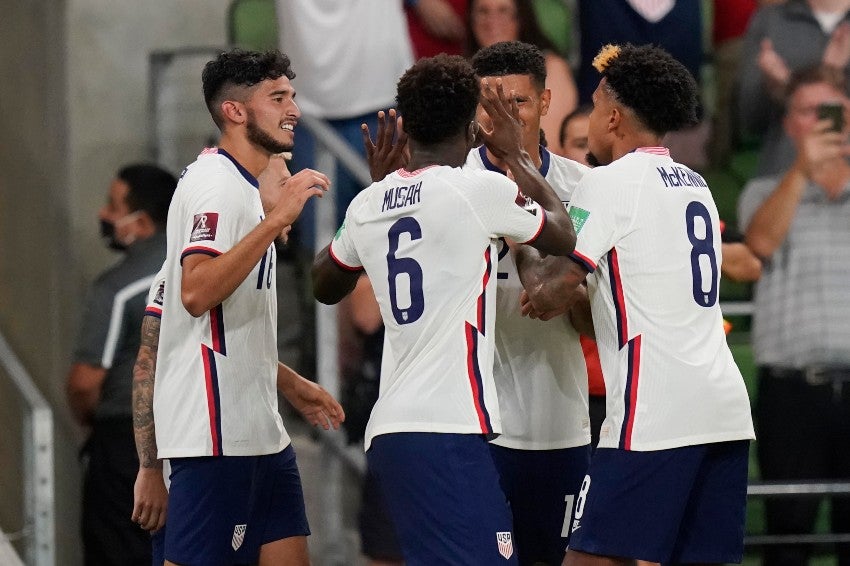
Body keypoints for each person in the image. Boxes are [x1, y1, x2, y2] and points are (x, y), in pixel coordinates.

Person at [312, 53, 577, 565]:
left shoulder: (372, 201)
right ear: (472, 127)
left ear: (406, 124)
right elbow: (562, 233)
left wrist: (379, 191)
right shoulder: (479, 189)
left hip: (392, 428)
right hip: (446, 426)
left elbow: (325, 284)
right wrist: (519, 156)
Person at [516, 44, 756, 565]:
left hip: (655, 411)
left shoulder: (607, 183)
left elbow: (547, 291)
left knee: (592, 559)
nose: (595, 119)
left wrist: (518, 225)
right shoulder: (697, 185)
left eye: (597, 107)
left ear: (614, 117)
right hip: (724, 410)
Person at [148, 48, 342, 565]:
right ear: (235, 112)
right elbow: (195, 293)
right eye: (277, 98)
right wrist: (278, 220)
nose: (294, 109)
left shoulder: (243, 191)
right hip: (214, 437)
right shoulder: (216, 188)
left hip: (259, 432)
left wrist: (290, 382)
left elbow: (226, 327)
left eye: (293, 97)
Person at [463, 40, 591, 565]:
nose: (504, 115)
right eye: (490, 103)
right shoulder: (453, 187)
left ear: (545, 102)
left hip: (558, 424)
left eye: (517, 102)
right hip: (474, 428)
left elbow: (590, 321)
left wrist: (572, 292)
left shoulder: (583, 187)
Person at [131, 264, 345, 565]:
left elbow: (232, 346)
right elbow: (150, 361)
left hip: (268, 445)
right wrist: (149, 467)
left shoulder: (258, 255)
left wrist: (289, 381)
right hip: (208, 449)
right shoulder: (189, 264)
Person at [738, 64, 850, 566]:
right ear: (789, 125)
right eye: (808, 111)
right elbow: (758, 244)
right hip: (790, 390)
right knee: (787, 534)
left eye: (833, 111)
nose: (823, 121)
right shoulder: (763, 192)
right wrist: (803, 171)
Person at [65, 163, 176, 566]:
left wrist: (94, 422)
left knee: (117, 550)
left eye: (113, 207)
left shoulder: (120, 287)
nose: (103, 216)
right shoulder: (201, 269)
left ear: (141, 222)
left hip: (125, 447)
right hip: (193, 439)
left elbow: (84, 384)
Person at [735, 0, 850, 176]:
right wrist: (773, 86)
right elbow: (750, 122)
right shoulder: (771, 19)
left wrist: (791, 85)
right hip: (783, 174)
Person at [466, 0, 578, 155]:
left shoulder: (550, 68)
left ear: (521, 17)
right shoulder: (463, 71)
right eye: (483, 12)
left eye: (503, 11)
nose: (492, 20)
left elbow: (550, 145)